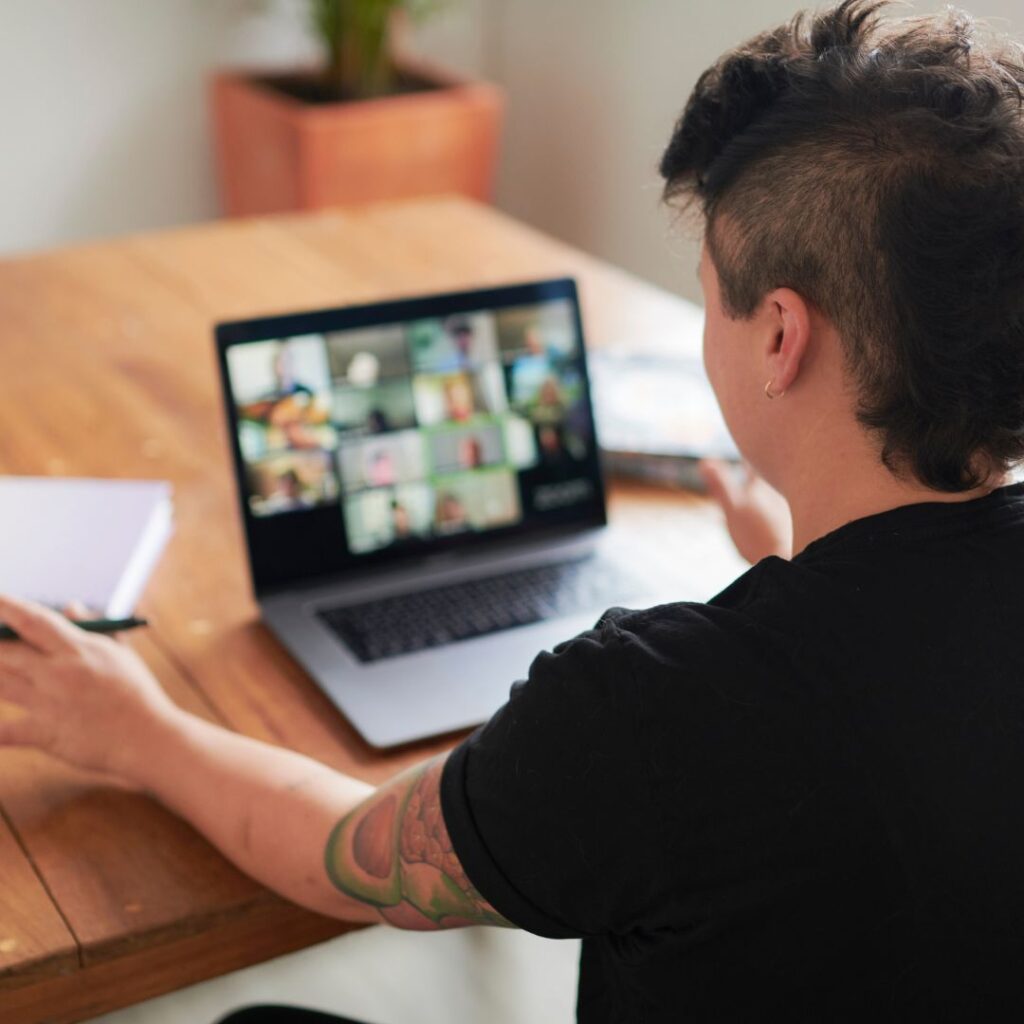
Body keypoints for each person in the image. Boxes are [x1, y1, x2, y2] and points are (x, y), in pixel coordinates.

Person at [2, 1, 1024, 1019]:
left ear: (778, 337)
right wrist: (791, 563)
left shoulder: (660, 710)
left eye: (713, 291)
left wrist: (134, 726)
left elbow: (345, 857)